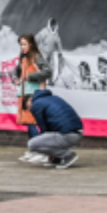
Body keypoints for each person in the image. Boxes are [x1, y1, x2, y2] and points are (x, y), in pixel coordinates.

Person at [26, 87, 85, 170]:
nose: (29, 109)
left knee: (32, 144)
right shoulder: (54, 98)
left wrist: (47, 148)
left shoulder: (36, 105)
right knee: (50, 138)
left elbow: (44, 128)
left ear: (29, 101)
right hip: (77, 133)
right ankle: (57, 159)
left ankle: (67, 155)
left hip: (67, 135)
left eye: (27, 106)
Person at [15, 34, 49, 164]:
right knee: (27, 123)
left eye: (24, 44)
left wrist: (31, 77)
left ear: (31, 44)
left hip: (32, 94)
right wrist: (16, 79)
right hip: (23, 93)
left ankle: (41, 151)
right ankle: (33, 150)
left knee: (32, 123)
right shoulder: (23, 58)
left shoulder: (37, 57)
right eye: (21, 44)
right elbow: (17, 72)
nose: (22, 47)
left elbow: (48, 72)